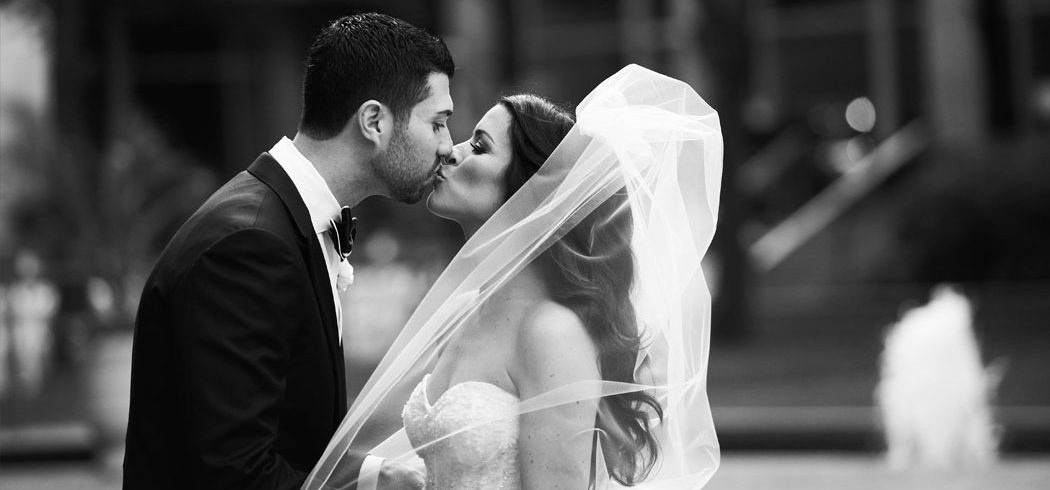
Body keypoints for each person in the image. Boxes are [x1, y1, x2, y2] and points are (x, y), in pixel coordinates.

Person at [305, 65, 723, 489]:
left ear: (530, 191)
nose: (452, 151)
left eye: (480, 147)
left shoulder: (551, 332)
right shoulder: (466, 311)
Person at [124, 13, 452, 490]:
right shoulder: (249, 245)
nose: (447, 146)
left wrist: (374, 476)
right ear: (374, 121)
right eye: (438, 123)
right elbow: (235, 475)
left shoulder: (283, 222)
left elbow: (290, 435)